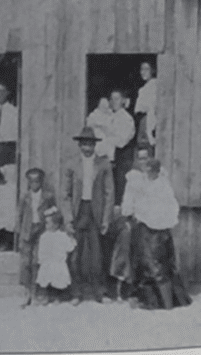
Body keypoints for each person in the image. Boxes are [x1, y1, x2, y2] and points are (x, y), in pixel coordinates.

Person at [127, 159, 191, 310]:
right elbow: (137, 204)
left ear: (157, 172)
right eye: (148, 171)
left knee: (159, 266)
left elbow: (168, 208)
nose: (149, 174)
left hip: (158, 232)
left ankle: (168, 303)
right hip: (146, 231)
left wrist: (153, 218)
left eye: (152, 171)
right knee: (146, 264)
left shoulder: (162, 187)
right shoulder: (144, 184)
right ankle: (151, 301)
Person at [61, 127, 114, 305]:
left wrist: (106, 219)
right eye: (84, 144)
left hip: (95, 211)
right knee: (75, 254)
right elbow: (66, 195)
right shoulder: (71, 164)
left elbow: (109, 193)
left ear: (95, 145)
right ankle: (76, 292)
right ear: (79, 145)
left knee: (97, 255)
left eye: (90, 144)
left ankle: (100, 291)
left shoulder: (103, 164)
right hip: (79, 211)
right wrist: (68, 219)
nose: (87, 148)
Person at [110, 146, 153, 301]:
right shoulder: (133, 178)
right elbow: (127, 205)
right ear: (137, 160)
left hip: (151, 219)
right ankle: (121, 283)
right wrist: (133, 215)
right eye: (140, 158)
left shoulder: (154, 177)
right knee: (126, 239)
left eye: (146, 158)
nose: (144, 161)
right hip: (135, 219)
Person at [17, 167, 57, 307]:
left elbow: (54, 211)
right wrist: (19, 235)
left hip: (41, 231)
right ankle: (26, 292)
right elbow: (20, 216)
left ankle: (38, 292)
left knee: (38, 262)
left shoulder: (48, 196)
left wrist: (50, 225)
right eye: (31, 181)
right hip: (28, 230)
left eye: (37, 181)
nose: (34, 184)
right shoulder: (25, 197)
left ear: (41, 182)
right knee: (26, 263)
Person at [99, 89, 136, 204]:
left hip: (121, 158)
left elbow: (122, 140)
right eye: (111, 99)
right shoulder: (108, 116)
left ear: (123, 101)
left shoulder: (126, 118)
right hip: (109, 157)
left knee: (120, 189)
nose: (113, 102)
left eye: (117, 99)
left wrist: (108, 138)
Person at [35, 208, 76, 304]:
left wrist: (71, 240)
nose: (46, 225)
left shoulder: (62, 236)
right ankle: (47, 296)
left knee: (58, 280)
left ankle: (57, 296)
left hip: (58, 262)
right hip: (48, 262)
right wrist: (42, 260)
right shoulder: (44, 236)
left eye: (48, 223)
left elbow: (69, 248)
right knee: (46, 279)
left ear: (56, 225)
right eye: (46, 223)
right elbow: (42, 250)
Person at [0, 164, 18, 251]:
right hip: (2, 208)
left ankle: (8, 245)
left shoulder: (14, 186)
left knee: (10, 225)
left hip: (11, 208)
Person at [133, 62, 158, 154]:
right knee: (142, 146)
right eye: (142, 69)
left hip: (151, 118)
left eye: (146, 69)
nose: (143, 72)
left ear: (152, 70)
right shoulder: (143, 88)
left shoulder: (155, 85)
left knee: (148, 144)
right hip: (142, 120)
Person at [86, 97, 115, 162]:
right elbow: (89, 126)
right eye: (102, 105)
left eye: (106, 105)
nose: (104, 106)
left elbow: (112, 129)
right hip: (96, 144)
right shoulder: (93, 115)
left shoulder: (111, 116)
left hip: (107, 145)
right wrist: (100, 126)